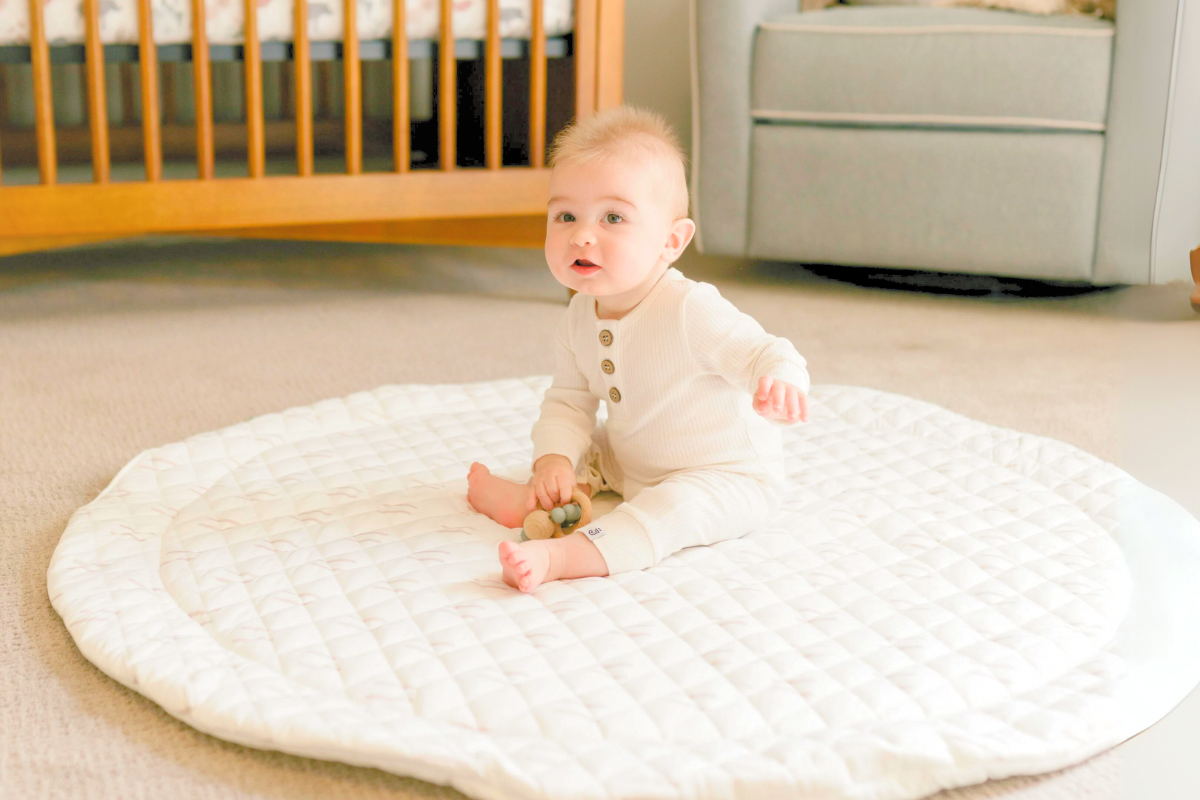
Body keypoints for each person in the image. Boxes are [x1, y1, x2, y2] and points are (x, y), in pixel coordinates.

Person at [467, 105, 811, 592]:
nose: (581, 234)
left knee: (671, 510)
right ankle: (540, 498)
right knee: (582, 449)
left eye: (612, 217)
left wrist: (779, 382)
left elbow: (767, 353)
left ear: (671, 240)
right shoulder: (579, 315)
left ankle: (563, 555)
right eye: (565, 215)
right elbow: (569, 400)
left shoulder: (689, 308)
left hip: (724, 473)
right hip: (632, 454)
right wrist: (554, 460)